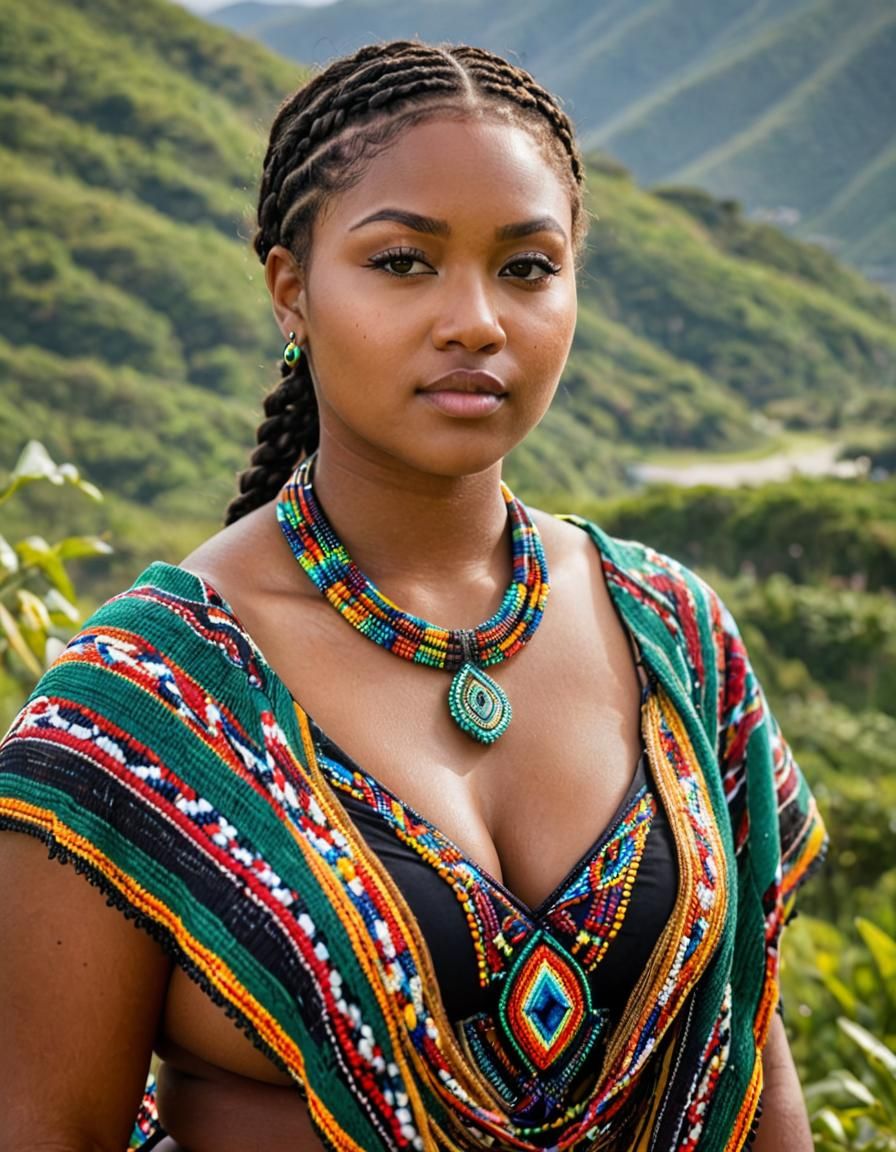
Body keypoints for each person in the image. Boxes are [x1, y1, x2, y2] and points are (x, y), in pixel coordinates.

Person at [0, 40, 826, 1152]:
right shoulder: (143, 702)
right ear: (291, 291)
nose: (476, 319)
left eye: (526, 267)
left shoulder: (674, 636)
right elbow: (45, 1127)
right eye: (402, 263)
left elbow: (748, 1057)